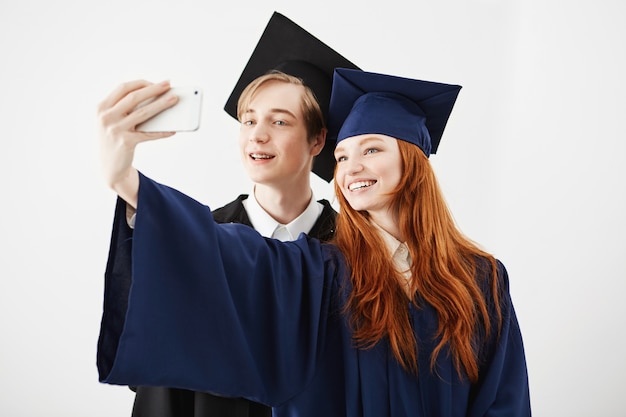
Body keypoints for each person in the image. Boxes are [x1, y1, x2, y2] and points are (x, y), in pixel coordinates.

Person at [97, 68, 531, 416]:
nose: (350, 167)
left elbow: (502, 397)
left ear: (412, 162)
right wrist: (129, 183)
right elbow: (234, 253)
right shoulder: (323, 269)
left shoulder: (484, 278)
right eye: (342, 157)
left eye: (372, 150)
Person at [100, 11, 359, 417]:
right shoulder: (202, 237)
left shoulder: (356, 248)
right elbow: (156, 357)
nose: (257, 134)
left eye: (279, 121)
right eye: (249, 120)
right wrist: (129, 187)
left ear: (318, 140)